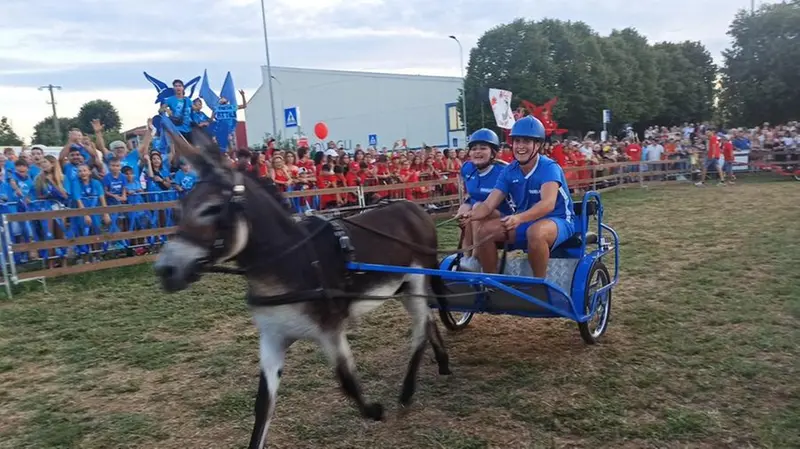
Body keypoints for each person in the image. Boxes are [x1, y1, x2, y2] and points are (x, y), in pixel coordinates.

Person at [461, 115, 575, 278]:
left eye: (526, 141)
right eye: (517, 141)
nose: (520, 146)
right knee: (484, 231)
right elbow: (488, 204)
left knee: (536, 233)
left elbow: (547, 204)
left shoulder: (549, 167)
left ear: (538, 145)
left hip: (559, 220)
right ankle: (492, 282)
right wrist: (470, 216)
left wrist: (519, 218)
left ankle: (539, 284)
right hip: (525, 222)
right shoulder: (509, 170)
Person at [455, 128, 513, 271]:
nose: (477, 152)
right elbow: (471, 195)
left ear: (493, 152)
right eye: (474, 149)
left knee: (477, 208)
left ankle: (476, 258)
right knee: (465, 210)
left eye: (483, 148)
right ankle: (465, 257)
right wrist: (464, 207)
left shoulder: (503, 172)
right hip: (477, 209)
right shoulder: (467, 168)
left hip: (504, 214)